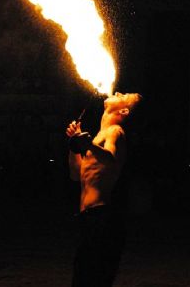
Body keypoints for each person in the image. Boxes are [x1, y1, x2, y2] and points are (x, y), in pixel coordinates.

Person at [66, 91, 143, 287]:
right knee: (82, 277)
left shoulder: (115, 131)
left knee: (94, 278)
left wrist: (86, 143)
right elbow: (76, 175)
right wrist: (73, 145)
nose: (117, 92)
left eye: (123, 94)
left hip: (103, 217)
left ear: (124, 110)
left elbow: (110, 157)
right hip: (88, 217)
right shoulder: (99, 136)